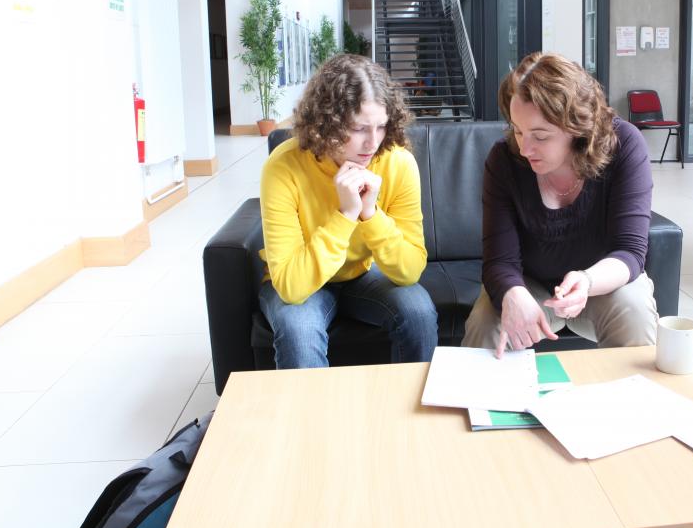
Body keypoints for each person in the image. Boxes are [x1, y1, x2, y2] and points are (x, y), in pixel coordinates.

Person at [463, 52, 658, 357]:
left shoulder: (624, 144)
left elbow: (631, 251)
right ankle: (479, 403)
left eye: (540, 136)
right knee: (488, 322)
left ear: (576, 127)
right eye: (518, 130)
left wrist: (588, 280)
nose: (525, 148)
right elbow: (499, 260)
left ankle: (631, 399)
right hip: (531, 282)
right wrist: (514, 293)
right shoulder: (504, 160)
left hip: (601, 279)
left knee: (633, 308)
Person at [258, 53, 438, 368]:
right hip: (303, 277)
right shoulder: (283, 166)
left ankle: (410, 413)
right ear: (325, 123)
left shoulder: (398, 162)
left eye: (381, 127)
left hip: (362, 275)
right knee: (298, 329)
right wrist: (345, 216)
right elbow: (290, 285)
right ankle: (315, 419)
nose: (372, 142)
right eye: (358, 129)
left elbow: (410, 271)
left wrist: (370, 214)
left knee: (419, 312)